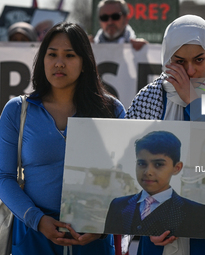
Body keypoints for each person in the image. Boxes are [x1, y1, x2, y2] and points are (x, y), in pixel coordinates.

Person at [125, 14, 205, 255]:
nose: (190, 70)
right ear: (167, 59)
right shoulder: (150, 96)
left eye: (199, 59)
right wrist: (145, 223)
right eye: (179, 61)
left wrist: (194, 103)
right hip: (158, 227)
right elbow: (130, 164)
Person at [0, 22, 125, 255]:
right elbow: (3, 177)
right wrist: (36, 220)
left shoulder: (112, 111)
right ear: (42, 60)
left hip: (92, 239)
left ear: (85, 63)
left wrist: (102, 227)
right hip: (32, 236)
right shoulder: (17, 110)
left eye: (69, 55)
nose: (59, 62)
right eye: (52, 54)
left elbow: (125, 178)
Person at [104, 131, 205, 238]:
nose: (148, 172)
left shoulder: (195, 213)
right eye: (142, 163)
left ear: (176, 168)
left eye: (158, 164)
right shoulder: (118, 205)